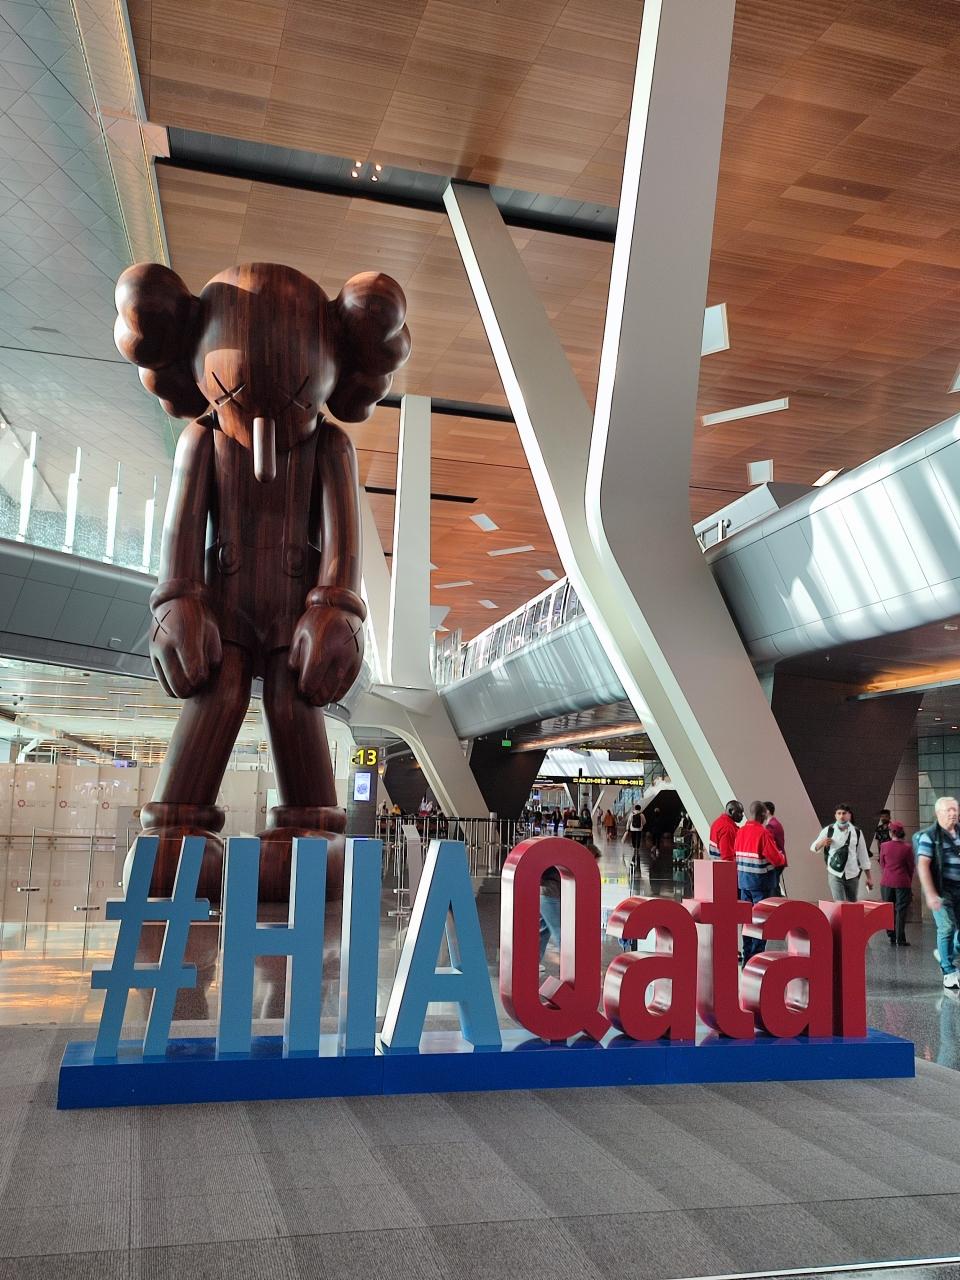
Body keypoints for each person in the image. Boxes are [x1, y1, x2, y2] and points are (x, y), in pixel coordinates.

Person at [916, 796, 960, 989]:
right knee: (947, 927)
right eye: (948, 810)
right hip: (942, 890)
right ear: (938, 813)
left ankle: (945, 954)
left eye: (955, 809)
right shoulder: (930, 836)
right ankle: (948, 971)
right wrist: (930, 893)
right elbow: (923, 865)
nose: (952, 813)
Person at [734, 802, 786, 962]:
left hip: (743, 882)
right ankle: (755, 958)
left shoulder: (740, 831)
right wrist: (781, 856)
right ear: (763, 815)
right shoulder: (763, 833)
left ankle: (746, 955)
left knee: (746, 920)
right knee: (760, 921)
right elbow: (777, 859)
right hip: (760, 884)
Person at [811, 805, 873, 902]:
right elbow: (813, 847)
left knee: (852, 904)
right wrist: (822, 843)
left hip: (852, 874)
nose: (841, 816)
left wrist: (869, 877)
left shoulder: (857, 832)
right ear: (835, 815)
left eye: (844, 813)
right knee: (840, 903)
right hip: (835, 873)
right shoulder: (829, 830)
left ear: (849, 815)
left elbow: (863, 855)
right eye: (839, 813)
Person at [878, 821, 914, 947]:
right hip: (902, 882)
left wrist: (887, 873)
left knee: (889, 910)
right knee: (901, 911)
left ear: (891, 832)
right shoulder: (907, 848)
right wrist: (908, 880)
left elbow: (882, 864)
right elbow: (911, 867)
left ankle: (891, 936)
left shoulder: (884, 846)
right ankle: (900, 939)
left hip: (886, 882)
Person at [763, 801, 786, 892]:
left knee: (773, 888)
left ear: (767, 811)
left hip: (775, 861)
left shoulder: (771, 826)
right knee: (775, 886)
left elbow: (768, 844)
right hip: (779, 860)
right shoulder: (775, 823)